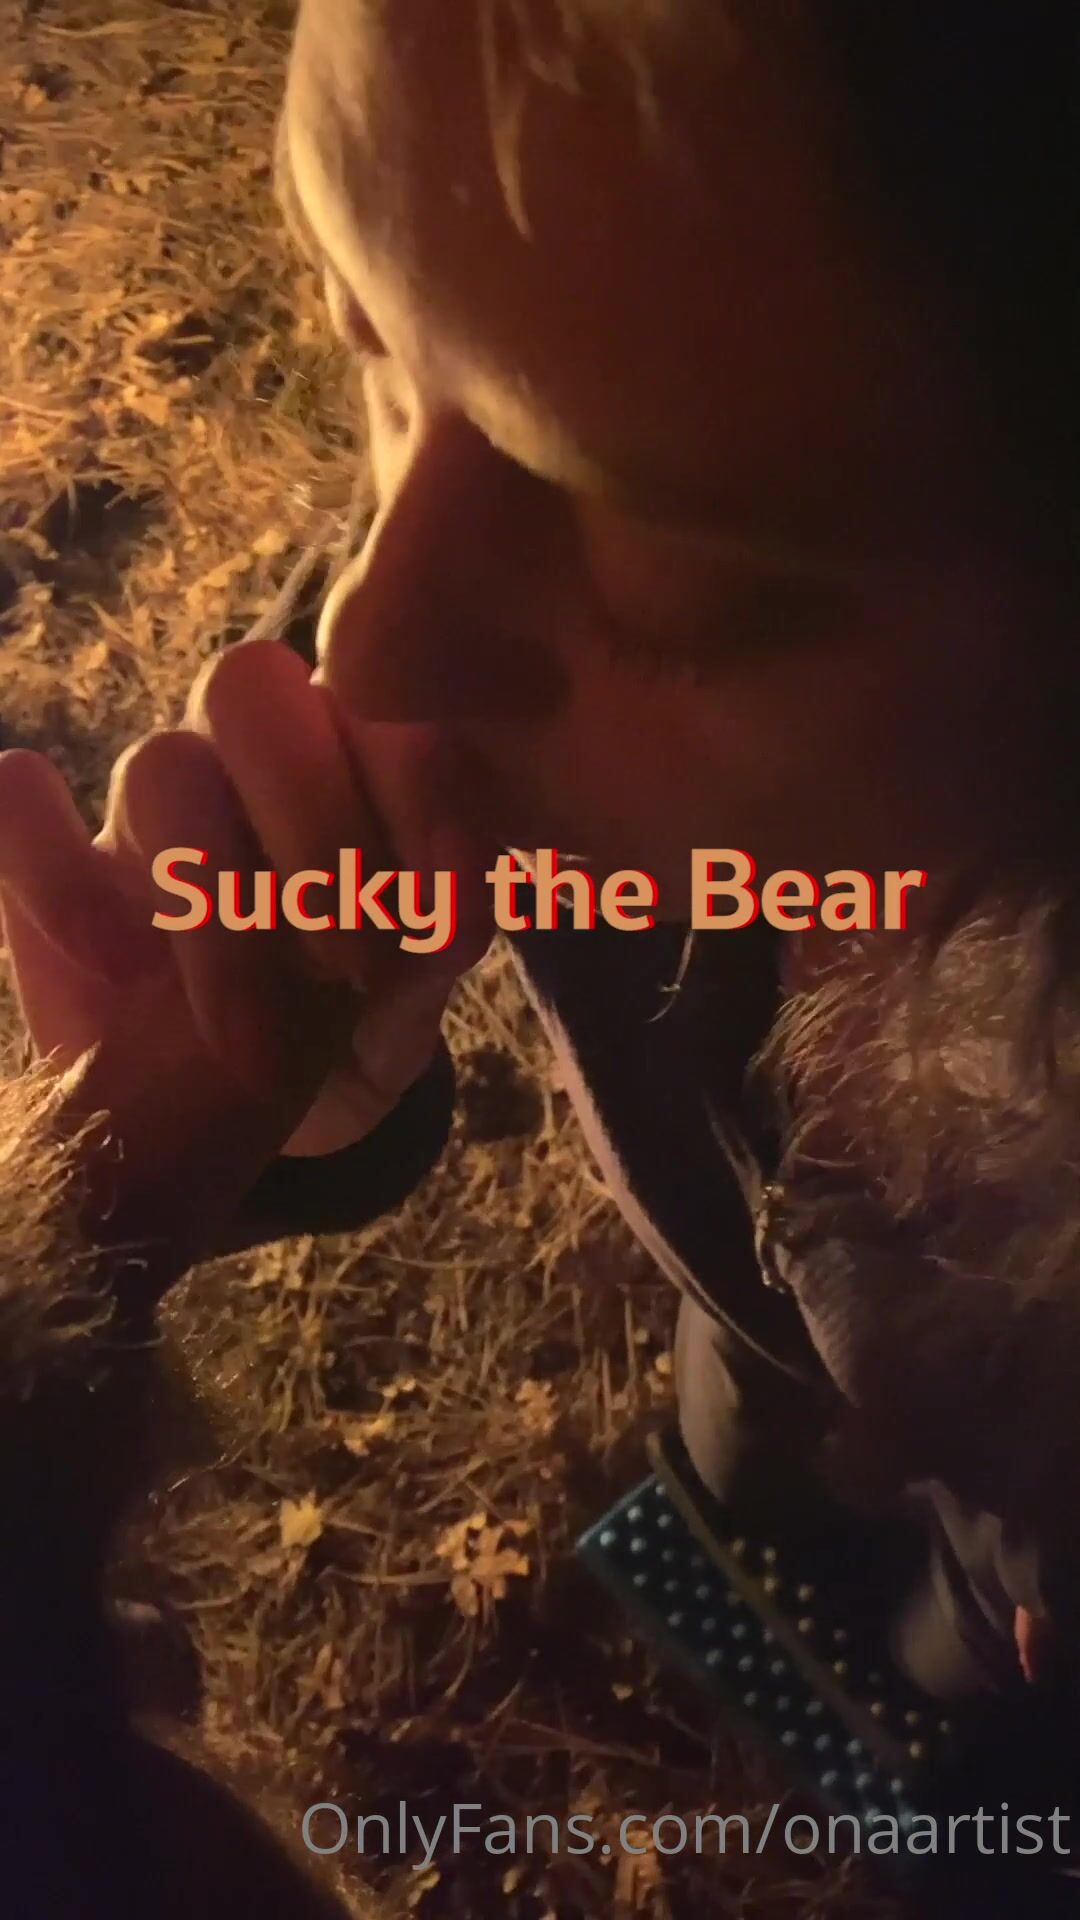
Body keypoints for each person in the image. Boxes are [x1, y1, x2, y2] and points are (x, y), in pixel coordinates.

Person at [0, 0, 1076, 1907]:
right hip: (754, 1288)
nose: (363, 637)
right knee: (754, 1450)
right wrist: (307, 1093)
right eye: (367, 332)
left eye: (675, 572)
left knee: (979, 1698)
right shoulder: (537, 587)